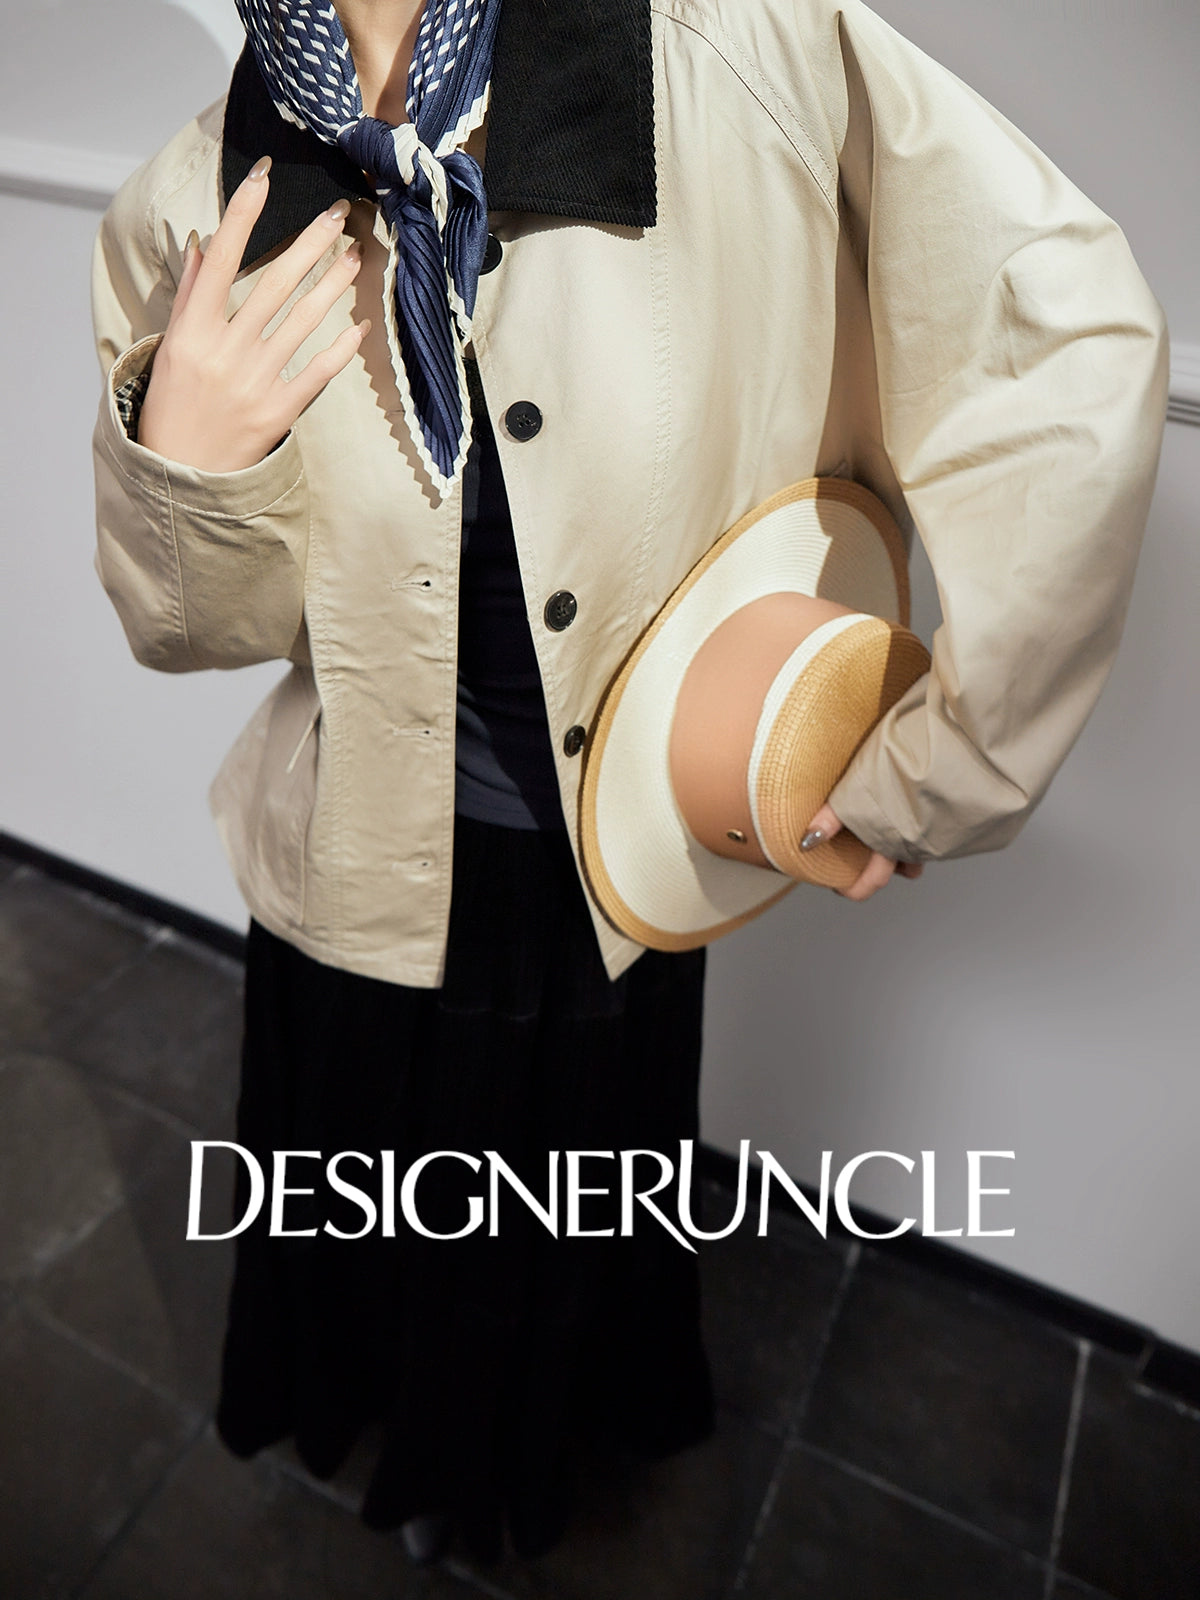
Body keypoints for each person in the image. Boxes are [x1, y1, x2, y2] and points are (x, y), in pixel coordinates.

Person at [90, 0, 1168, 1568]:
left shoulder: (732, 48)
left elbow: (1054, 329)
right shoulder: (191, 200)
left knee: (570, 1203)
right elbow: (193, 633)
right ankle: (363, 1418)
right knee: (350, 1188)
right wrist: (186, 464)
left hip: (616, 862)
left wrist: (939, 764)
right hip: (349, 857)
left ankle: (521, 1464)